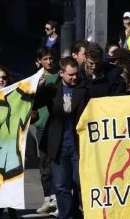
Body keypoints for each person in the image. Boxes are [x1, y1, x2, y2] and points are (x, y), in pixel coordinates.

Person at [34, 57, 89, 219]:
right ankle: (66, 215)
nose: (74, 78)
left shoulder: (83, 90)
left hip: (78, 145)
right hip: (57, 146)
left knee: (79, 183)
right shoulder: (52, 89)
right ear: (61, 73)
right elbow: (34, 104)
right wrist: (40, 88)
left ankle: (78, 212)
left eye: (76, 74)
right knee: (61, 186)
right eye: (70, 75)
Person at [31, 48, 58, 216]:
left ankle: (56, 199)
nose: (49, 62)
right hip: (41, 126)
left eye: (51, 58)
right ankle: (47, 198)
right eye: (45, 59)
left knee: (56, 163)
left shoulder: (58, 77)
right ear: (39, 60)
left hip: (56, 124)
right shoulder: (36, 79)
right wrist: (37, 85)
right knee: (44, 165)